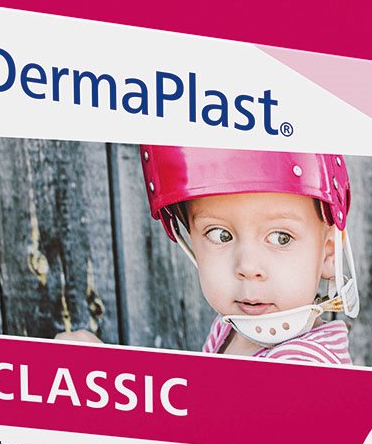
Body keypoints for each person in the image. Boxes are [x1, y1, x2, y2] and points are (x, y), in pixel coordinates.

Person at [141, 146, 359, 364]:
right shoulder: (227, 327)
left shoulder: (302, 363)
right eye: (220, 235)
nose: (247, 267)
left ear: (328, 252)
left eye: (281, 237)